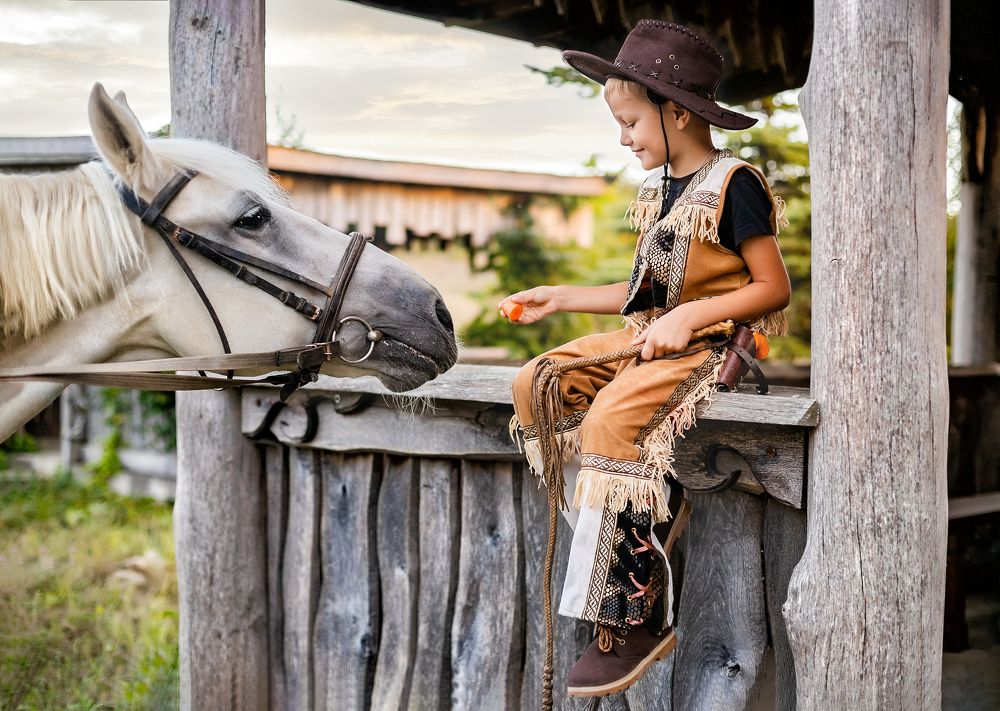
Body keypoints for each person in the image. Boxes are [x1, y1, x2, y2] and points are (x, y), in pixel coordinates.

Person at [503, 20, 791, 698]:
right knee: (537, 384)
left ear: (679, 113)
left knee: (608, 422)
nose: (624, 136)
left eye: (630, 121)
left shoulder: (734, 184)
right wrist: (561, 296)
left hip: (707, 346)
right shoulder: (664, 188)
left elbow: (772, 286)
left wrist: (694, 314)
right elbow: (643, 295)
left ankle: (631, 611)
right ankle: (638, 518)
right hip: (650, 335)